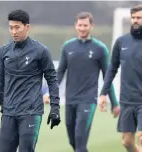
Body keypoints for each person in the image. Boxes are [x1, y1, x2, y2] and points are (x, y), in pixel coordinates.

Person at [0, 9, 61, 152]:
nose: (13, 31)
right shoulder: (4, 51)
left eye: (17, 27)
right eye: (11, 27)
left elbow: (52, 80)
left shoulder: (41, 51)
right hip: (8, 112)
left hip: (31, 112)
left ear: (27, 27)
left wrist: (55, 107)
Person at [99, 5, 142, 152]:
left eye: (139, 18)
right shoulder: (121, 42)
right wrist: (103, 93)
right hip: (127, 100)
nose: (135, 20)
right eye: (133, 17)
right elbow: (112, 69)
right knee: (127, 142)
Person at [56, 12, 119, 152]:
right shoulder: (68, 47)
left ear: (91, 26)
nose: (82, 28)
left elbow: (107, 77)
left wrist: (114, 103)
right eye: (80, 25)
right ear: (75, 26)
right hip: (70, 99)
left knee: (80, 139)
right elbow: (60, 72)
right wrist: (51, 91)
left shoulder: (100, 49)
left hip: (88, 100)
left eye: (85, 25)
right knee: (73, 141)